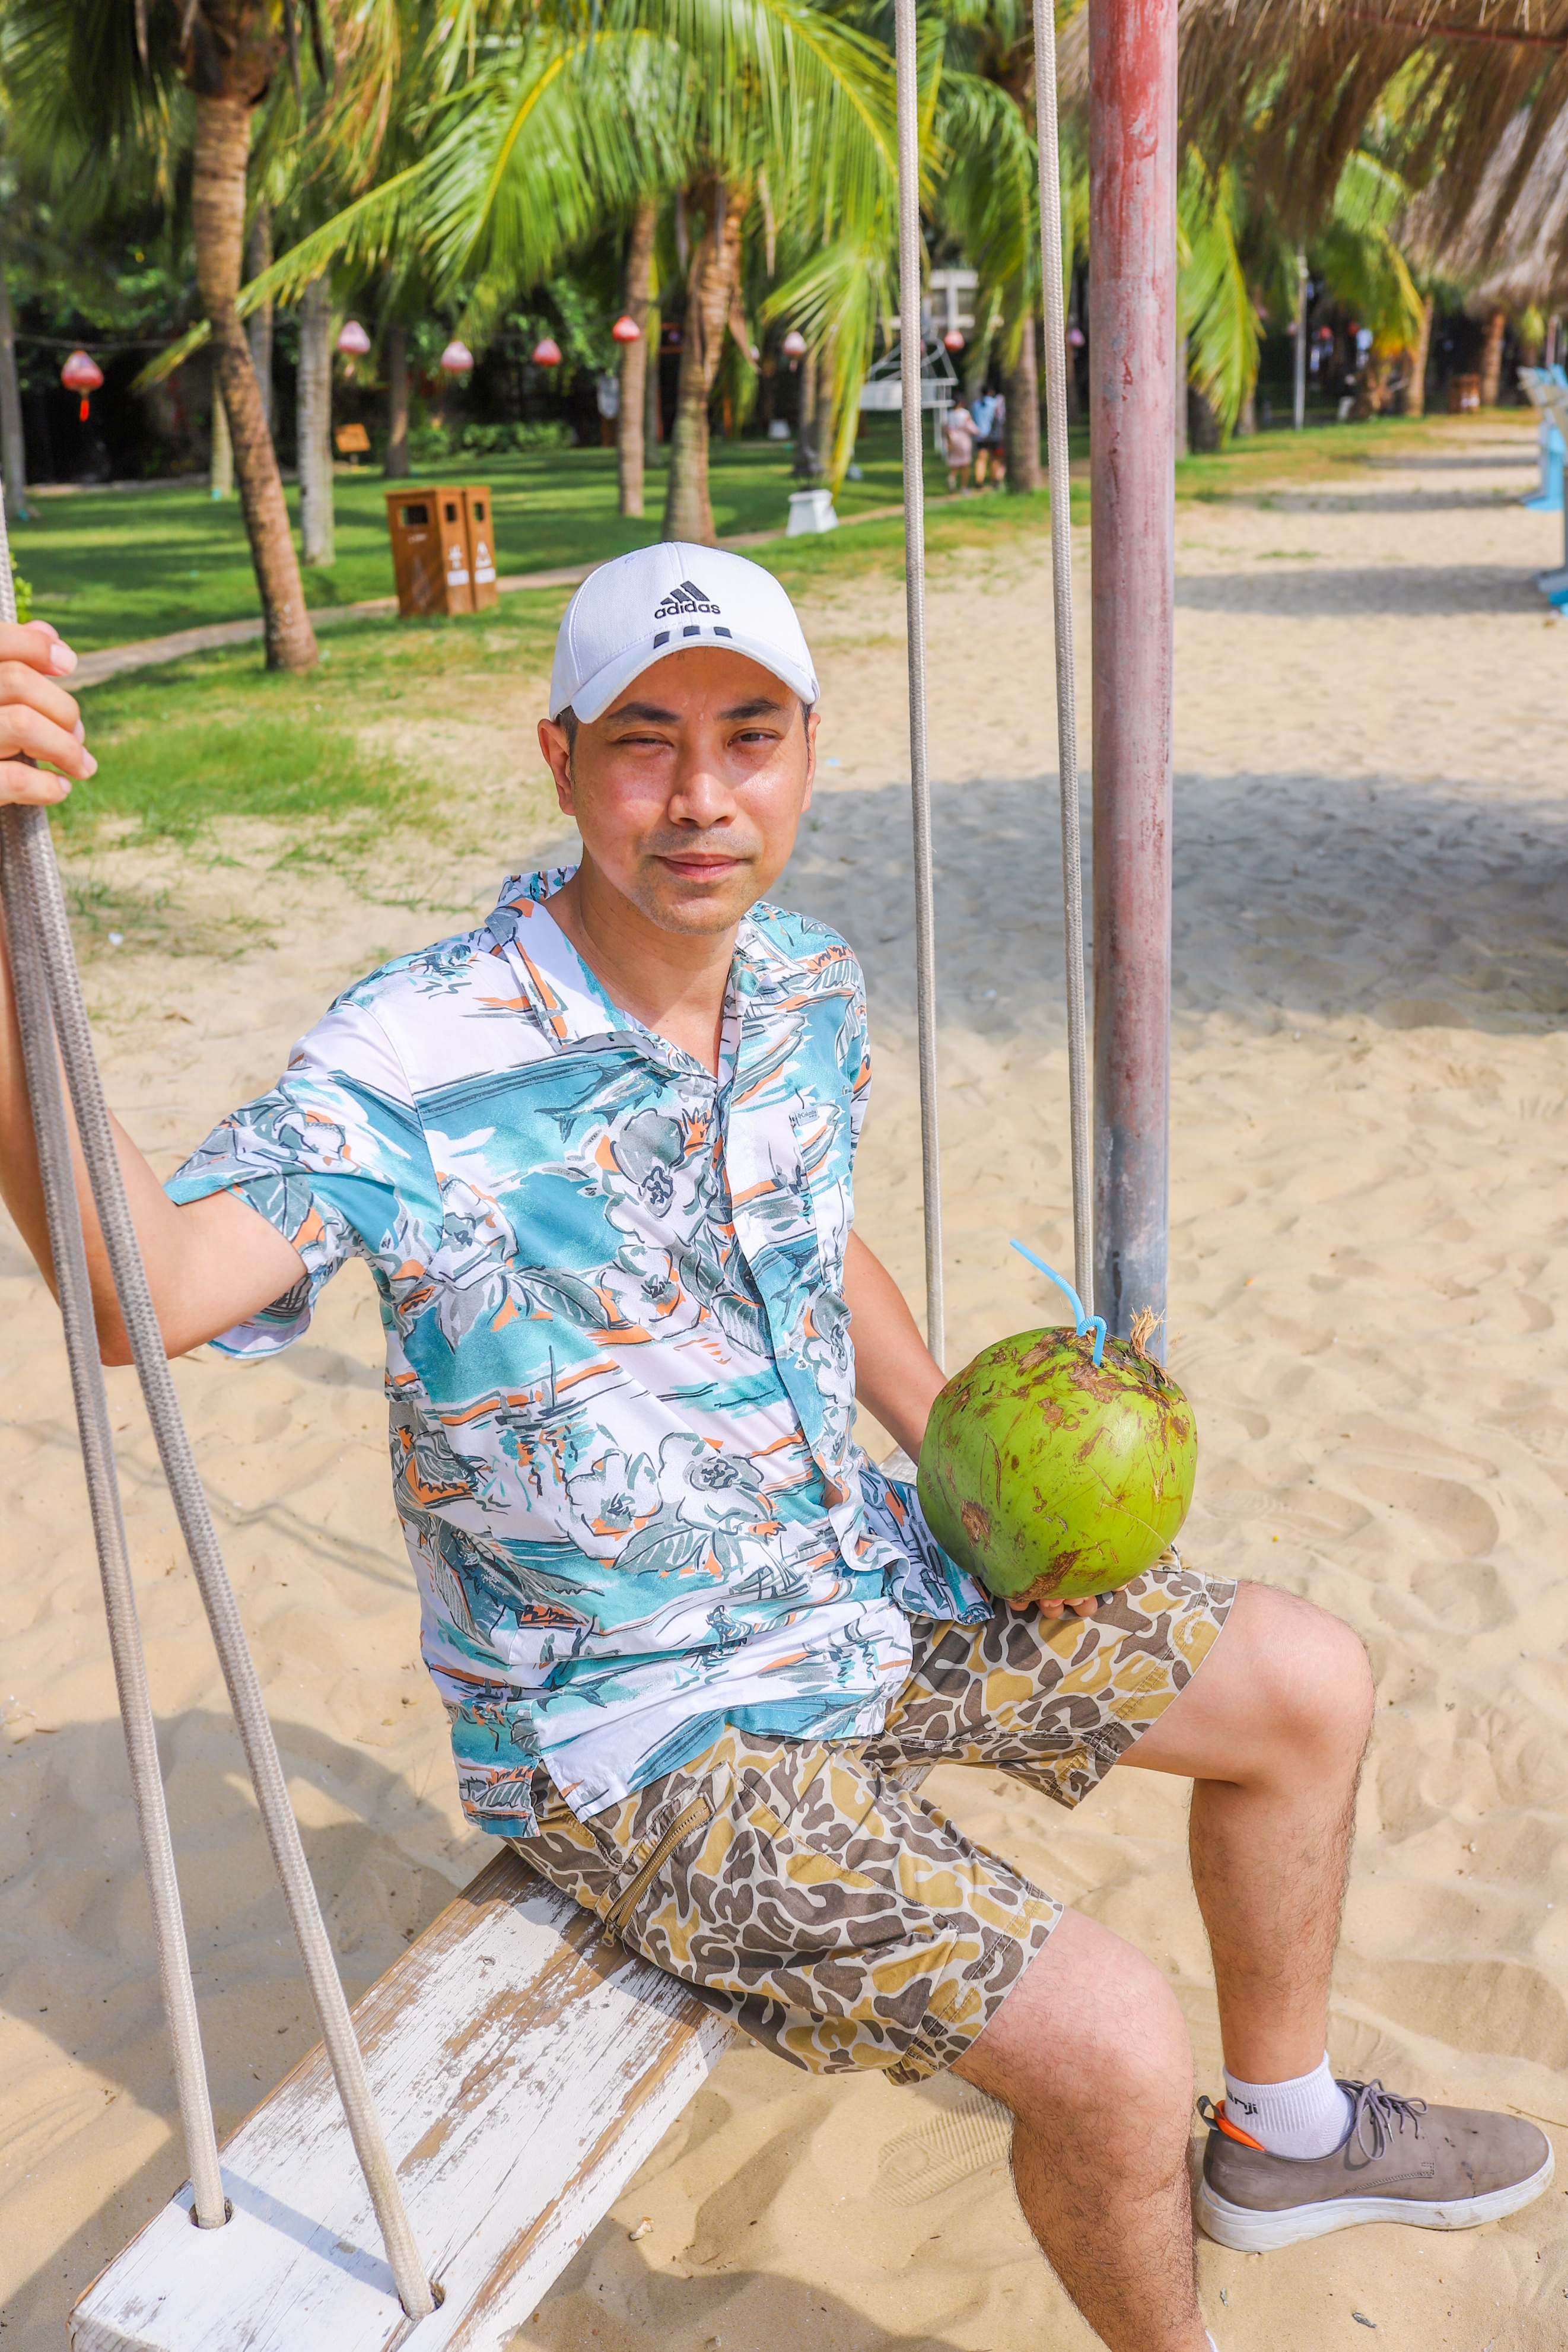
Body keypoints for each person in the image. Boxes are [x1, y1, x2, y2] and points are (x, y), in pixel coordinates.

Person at [0, 557, 1552, 2352]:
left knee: (1303, 1682)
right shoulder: (415, 1056)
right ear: (561, 760)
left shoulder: (804, 983)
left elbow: (808, 1233)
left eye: (748, 737)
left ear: (808, 751)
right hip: (644, 1729)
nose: (699, 797)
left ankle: (1282, 2131)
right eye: (644, 745)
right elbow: (146, 1286)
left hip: (851, 1585)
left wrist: (956, 1463)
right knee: (1115, 2045)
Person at [942, 401, 974, 491]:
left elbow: (945, 428)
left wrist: (948, 441)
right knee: (965, 464)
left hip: (953, 440)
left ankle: (951, 477)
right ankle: (964, 487)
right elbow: (970, 426)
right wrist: (980, 433)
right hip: (963, 440)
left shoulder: (949, 414)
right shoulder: (965, 413)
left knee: (955, 462)